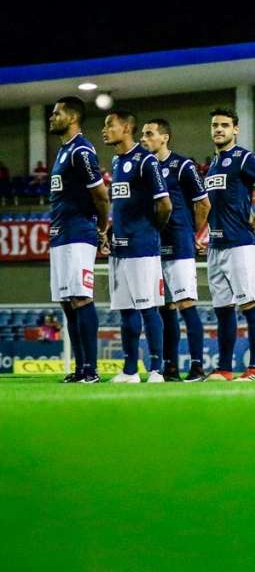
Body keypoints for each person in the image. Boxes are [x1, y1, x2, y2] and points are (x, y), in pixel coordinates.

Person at [101, 110, 172, 383]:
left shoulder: (146, 161)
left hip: (142, 248)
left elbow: (165, 204)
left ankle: (156, 369)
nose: (104, 130)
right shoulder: (117, 162)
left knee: (148, 308)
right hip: (119, 249)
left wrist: (152, 229)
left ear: (126, 127)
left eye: (110, 125)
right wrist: (110, 228)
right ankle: (130, 370)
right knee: (126, 310)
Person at [203, 108, 255, 381]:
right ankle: (223, 369)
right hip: (215, 245)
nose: (218, 129)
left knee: (249, 305)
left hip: (240, 246)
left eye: (224, 125)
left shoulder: (245, 158)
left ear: (236, 130)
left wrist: (252, 228)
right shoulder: (212, 164)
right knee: (222, 309)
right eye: (214, 125)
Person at [140, 119, 211, 382]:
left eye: (149, 134)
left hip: (179, 243)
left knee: (185, 303)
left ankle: (196, 367)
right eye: (142, 134)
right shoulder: (143, 168)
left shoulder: (182, 165)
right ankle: (169, 367)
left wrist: (190, 232)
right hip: (152, 245)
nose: (144, 139)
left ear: (165, 137)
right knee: (164, 307)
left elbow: (203, 203)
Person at [49, 97, 109, 383]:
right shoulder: (64, 151)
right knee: (67, 302)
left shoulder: (81, 150)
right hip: (60, 234)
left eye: (57, 113)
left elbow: (100, 194)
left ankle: (91, 370)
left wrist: (103, 226)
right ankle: (80, 367)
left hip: (79, 233)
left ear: (72, 117)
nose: (52, 117)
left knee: (81, 298)